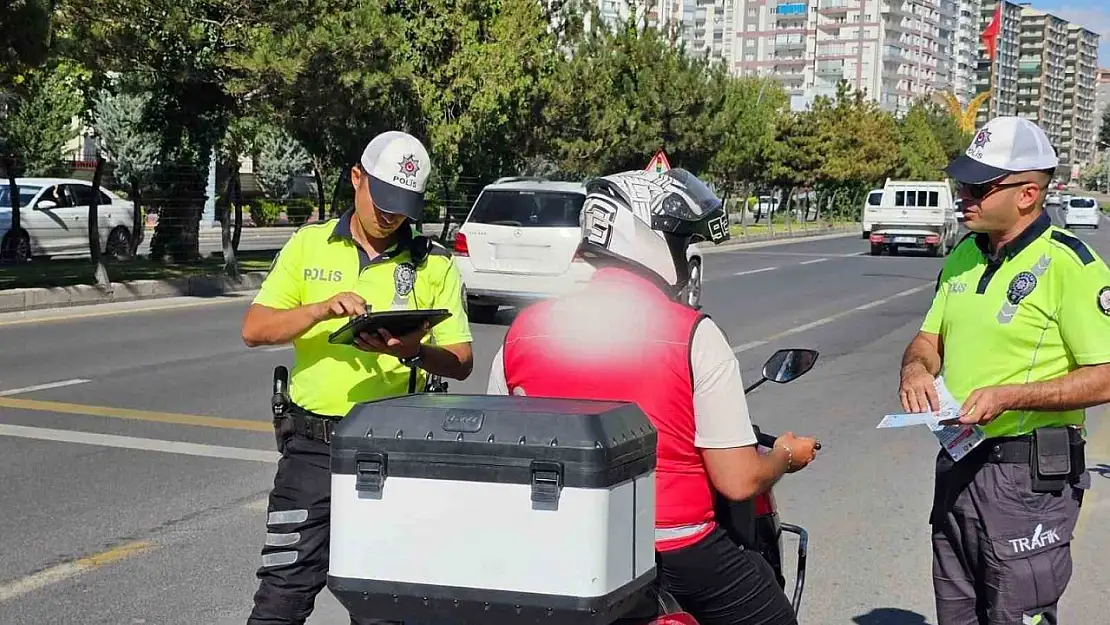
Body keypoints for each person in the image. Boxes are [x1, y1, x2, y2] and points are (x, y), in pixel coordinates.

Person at [486, 168, 820, 625]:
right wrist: (784, 453)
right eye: (682, 242)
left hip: (557, 547)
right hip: (675, 547)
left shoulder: (520, 333)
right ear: (647, 240)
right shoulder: (692, 334)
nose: (686, 256)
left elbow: (500, 448)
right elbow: (738, 481)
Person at [240, 130, 474, 625]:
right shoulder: (309, 245)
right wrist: (321, 309)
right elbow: (255, 329)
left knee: (384, 604)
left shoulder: (433, 263)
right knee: (282, 593)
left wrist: (416, 351)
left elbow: (461, 358)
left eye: (403, 204)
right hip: (312, 449)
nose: (391, 214)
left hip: (395, 450)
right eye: (383, 198)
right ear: (356, 179)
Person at [899, 116, 1110, 625]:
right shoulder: (963, 256)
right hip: (958, 463)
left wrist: (1010, 396)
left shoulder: (1072, 266)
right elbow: (929, 339)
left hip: (1027, 479)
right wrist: (916, 369)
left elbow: (1105, 374)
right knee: (957, 612)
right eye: (961, 183)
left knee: (1018, 614)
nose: (963, 195)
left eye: (978, 186)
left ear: (1027, 194)